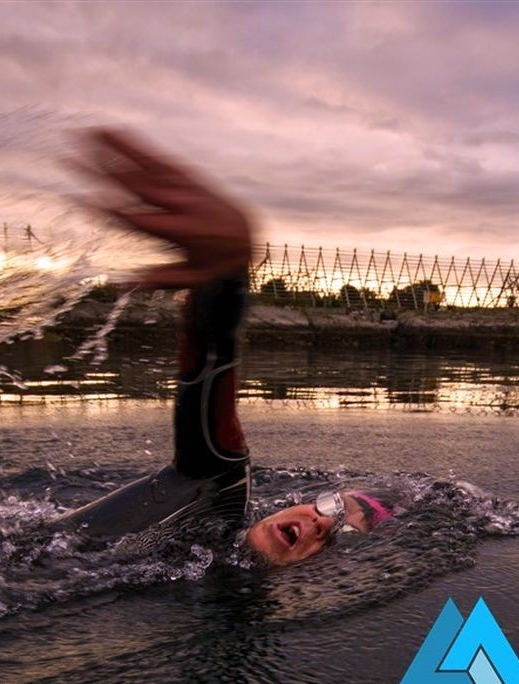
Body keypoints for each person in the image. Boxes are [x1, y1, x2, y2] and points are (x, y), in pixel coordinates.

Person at [59, 129, 394, 566]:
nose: (321, 523)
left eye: (341, 536)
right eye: (331, 506)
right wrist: (226, 276)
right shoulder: (213, 497)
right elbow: (209, 377)